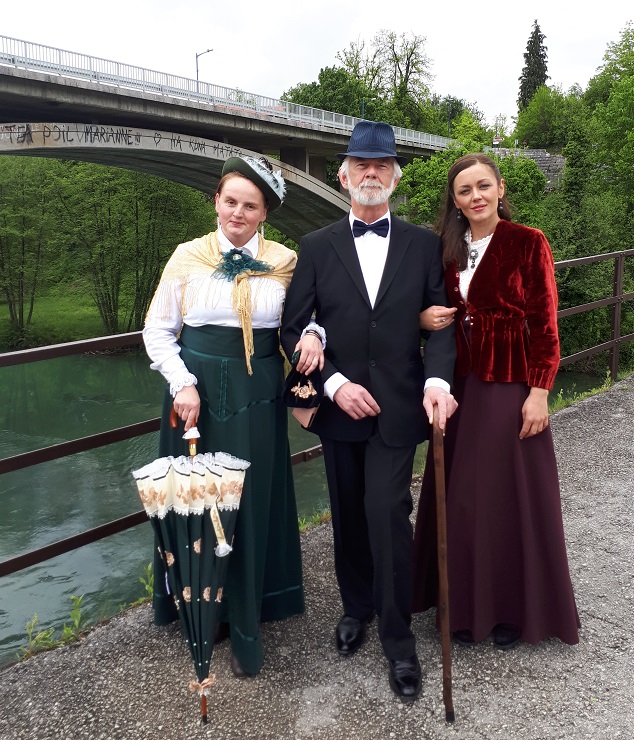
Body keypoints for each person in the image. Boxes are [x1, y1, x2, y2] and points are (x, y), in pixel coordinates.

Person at [280, 120, 457, 703]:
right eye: (362, 164)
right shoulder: (315, 245)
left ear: (396, 177)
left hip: (400, 405)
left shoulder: (424, 244)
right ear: (344, 175)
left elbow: (441, 324)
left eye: (382, 165)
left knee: (386, 512)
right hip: (339, 408)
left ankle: (399, 640)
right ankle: (356, 607)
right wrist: (333, 385)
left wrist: (437, 380)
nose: (372, 173)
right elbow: (292, 328)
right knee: (349, 515)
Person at [143, 155, 324, 677]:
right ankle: (205, 612)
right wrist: (182, 382)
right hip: (194, 394)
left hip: (257, 393)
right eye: (230, 202)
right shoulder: (187, 256)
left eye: (250, 205)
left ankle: (250, 611)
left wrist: (314, 335)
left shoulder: (285, 262)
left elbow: (307, 318)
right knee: (198, 497)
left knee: (249, 497)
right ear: (216, 203)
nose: (238, 213)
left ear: (265, 213)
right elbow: (158, 330)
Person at [412, 153, 580, 649]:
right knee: (463, 498)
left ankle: (510, 610)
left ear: (500, 188)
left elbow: (544, 324)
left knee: (507, 499)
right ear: (455, 200)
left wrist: (539, 392)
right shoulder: (447, 249)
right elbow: (429, 308)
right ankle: (465, 607)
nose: (475, 197)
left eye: (483, 186)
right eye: (464, 191)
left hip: (508, 385)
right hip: (458, 386)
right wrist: (422, 320)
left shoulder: (527, 242)